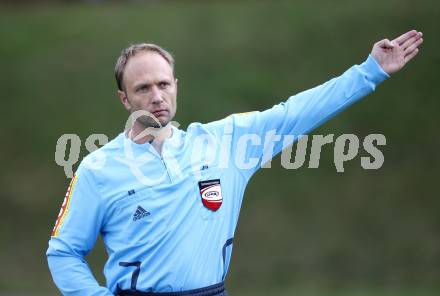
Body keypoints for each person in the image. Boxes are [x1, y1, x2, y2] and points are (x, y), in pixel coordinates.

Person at [46, 30, 423, 295]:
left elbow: (295, 113)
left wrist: (369, 73)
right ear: (124, 100)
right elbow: (64, 252)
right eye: (143, 88)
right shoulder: (97, 169)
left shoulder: (226, 143)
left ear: (176, 85)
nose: (156, 96)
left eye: (163, 84)